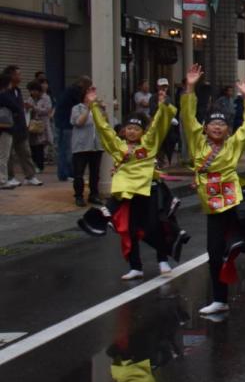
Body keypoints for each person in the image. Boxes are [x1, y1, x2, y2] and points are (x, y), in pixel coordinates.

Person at [180, 64, 245, 316]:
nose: (217, 127)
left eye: (222, 125)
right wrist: (190, 87)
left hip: (232, 197)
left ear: (228, 129)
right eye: (212, 124)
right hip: (212, 203)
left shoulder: (233, 145)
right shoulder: (198, 143)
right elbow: (187, 117)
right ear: (205, 128)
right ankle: (220, 298)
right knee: (215, 252)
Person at [84, 83, 179, 279]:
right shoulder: (119, 147)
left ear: (142, 132)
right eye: (129, 128)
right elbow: (104, 130)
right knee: (131, 230)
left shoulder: (149, 144)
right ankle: (135, 266)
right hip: (127, 193)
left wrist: (163, 105)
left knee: (156, 225)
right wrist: (93, 106)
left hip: (148, 190)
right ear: (123, 131)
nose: (132, 132)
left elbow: (159, 125)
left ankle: (162, 260)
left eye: (136, 128)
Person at [0, 66, 40, 188]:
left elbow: (19, 108)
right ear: (11, 76)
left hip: (20, 127)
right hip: (8, 127)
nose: (20, 77)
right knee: (7, 155)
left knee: (25, 152)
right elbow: (14, 107)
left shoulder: (17, 90)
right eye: (18, 74)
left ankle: (30, 176)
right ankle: (9, 177)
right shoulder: (4, 92)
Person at [69, 78, 102, 206]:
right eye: (90, 94)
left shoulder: (98, 108)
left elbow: (106, 124)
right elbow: (78, 122)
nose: (92, 97)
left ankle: (94, 194)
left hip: (96, 145)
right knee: (79, 173)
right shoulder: (77, 108)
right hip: (81, 146)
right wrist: (88, 108)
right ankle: (78, 196)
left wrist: (102, 110)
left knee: (95, 173)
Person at [54, 77, 86, 181]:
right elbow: (80, 104)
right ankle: (66, 174)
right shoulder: (75, 92)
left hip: (61, 123)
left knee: (64, 150)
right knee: (67, 150)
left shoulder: (68, 91)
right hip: (66, 124)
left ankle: (67, 173)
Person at [26, 80, 52, 172]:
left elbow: (47, 110)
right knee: (32, 145)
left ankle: (40, 166)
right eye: (30, 91)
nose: (32, 92)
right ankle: (34, 165)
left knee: (40, 146)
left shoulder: (46, 98)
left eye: (33, 90)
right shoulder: (30, 98)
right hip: (32, 124)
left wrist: (34, 108)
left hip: (42, 124)